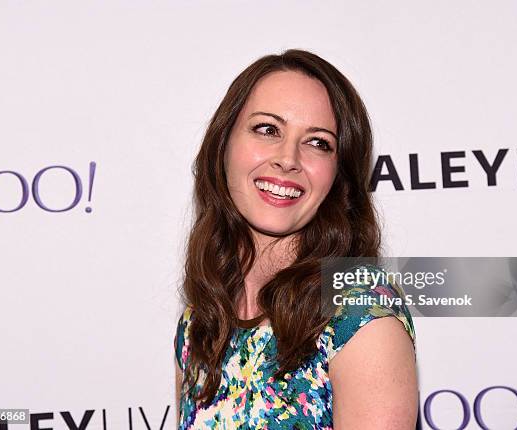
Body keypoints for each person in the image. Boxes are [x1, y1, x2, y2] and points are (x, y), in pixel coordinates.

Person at [173, 49, 417, 429]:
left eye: (318, 142)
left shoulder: (359, 316)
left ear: (339, 176)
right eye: (267, 129)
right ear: (223, 145)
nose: (288, 158)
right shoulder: (200, 325)